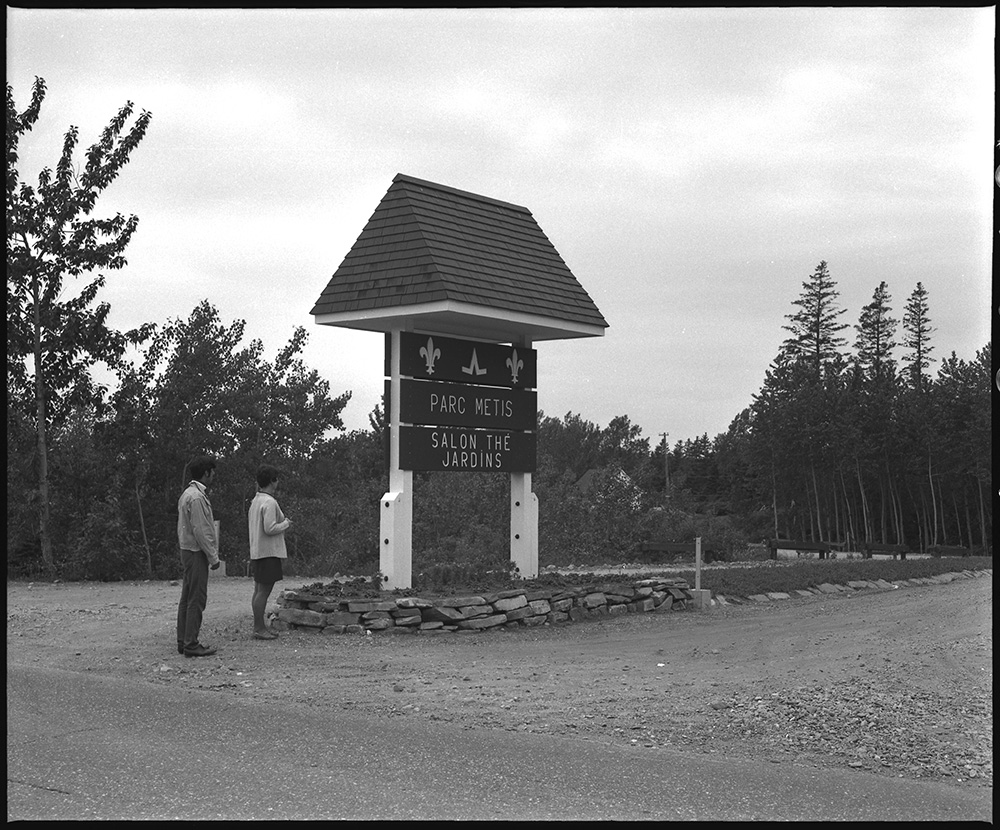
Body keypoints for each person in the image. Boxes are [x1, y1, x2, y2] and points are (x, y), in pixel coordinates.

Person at [176, 455, 222, 657]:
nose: (214, 476)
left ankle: (183, 639)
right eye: (212, 472)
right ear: (206, 473)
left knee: (187, 597)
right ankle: (191, 643)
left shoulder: (188, 493)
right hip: (196, 552)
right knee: (196, 598)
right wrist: (213, 557)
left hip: (187, 550)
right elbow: (201, 530)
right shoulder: (196, 497)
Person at [247, 464, 291, 640]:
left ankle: (258, 626)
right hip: (268, 552)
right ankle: (259, 628)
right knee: (263, 591)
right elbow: (270, 528)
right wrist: (286, 524)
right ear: (273, 481)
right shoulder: (269, 502)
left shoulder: (255, 501)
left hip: (257, 551)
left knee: (258, 590)